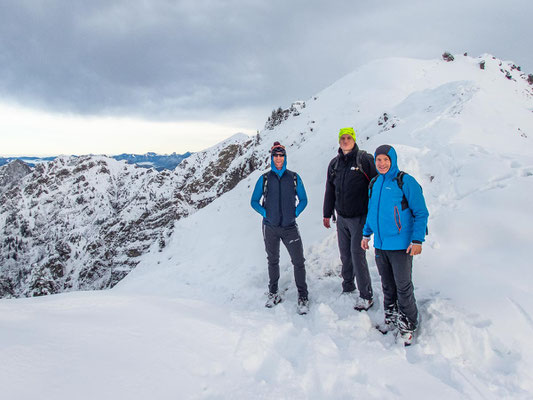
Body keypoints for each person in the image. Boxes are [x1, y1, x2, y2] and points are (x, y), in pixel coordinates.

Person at [361, 144, 429, 345]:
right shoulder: (374, 183)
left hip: (401, 245)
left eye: (385, 159)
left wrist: (417, 240)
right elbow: (372, 212)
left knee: (403, 286)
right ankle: (391, 318)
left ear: (393, 160)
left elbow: (421, 212)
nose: (381, 164)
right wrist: (366, 235)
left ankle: (408, 324)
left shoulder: (405, 182)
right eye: (378, 160)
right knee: (387, 285)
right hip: (381, 245)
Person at [251, 142, 310, 314]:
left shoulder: (293, 177)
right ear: (271, 158)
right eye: (276, 155)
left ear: (285, 157)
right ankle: (273, 292)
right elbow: (254, 201)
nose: (278, 158)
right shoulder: (265, 179)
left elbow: (304, 199)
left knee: (298, 261)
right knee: (273, 260)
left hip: (290, 227)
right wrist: (265, 214)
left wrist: (295, 213)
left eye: (281, 155)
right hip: (270, 227)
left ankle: (303, 296)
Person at [323, 127, 378, 311]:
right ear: (339, 141)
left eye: (349, 138)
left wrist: (375, 213)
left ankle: (366, 295)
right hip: (342, 218)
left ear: (354, 140)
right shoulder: (334, 164)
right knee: (345, 254)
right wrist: (326, 213)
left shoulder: (363, 160)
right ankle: (348, 286)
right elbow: (330, 190)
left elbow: (376, 185)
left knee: (357, 255)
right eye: (342, 138)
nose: (345, 141)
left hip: (360, 217)